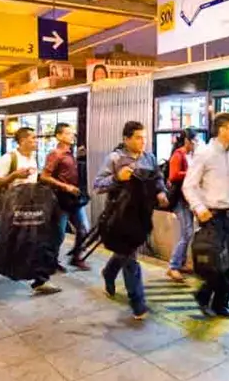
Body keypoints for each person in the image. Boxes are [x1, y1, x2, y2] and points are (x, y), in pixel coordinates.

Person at [0, 127, 61, 296]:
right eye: (33, 138)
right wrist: (14, 176)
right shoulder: (9, 158)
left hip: (31, 208)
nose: (36, 141)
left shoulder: (32, 158)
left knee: (36, 243)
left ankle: (40, 281)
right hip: (12, 210)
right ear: (22, 140)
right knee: (10, 246)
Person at [93, 121, 168, 319]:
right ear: (126, 139)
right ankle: (138, 303)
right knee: (130, 259)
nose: (143, 141)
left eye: (144, 137)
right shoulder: (115, 158)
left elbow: (158, 178)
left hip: (142, 216)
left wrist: (161, 192)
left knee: (125, 252)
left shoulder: (149, 158)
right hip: (120, 216)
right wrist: (117, 178)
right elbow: (98, 185)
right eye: (138, 137)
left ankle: (108, 273)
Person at [183, 112, 229, 319]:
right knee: (217, 263)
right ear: (223, 130)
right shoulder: (205, 153)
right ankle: (204, 294)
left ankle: (221, 305)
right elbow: (189, 186)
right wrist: (199, 209)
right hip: (214, 216)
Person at [40, 123, 90, 271]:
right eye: (68, 133)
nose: (72, 135)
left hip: (74, 199)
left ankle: (76, 257)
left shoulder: (70, 153)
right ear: (59, 136)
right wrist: (65, 186)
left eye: (72, 133)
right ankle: (51, 262)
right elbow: (44, 176)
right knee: (58, 234)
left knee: (83, 229)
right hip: (60, 200)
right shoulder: (55, 154)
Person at [166, 128, 199, 282]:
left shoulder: (191, 155)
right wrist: (191, 172)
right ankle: (173, 266)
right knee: (187, 232)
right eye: (194, 141)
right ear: (187, 141)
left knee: (188, 232)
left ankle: (182, 263)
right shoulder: (178, 155)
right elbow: (173, 176)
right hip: (179, 199)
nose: (196, 143)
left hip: (189, 199)